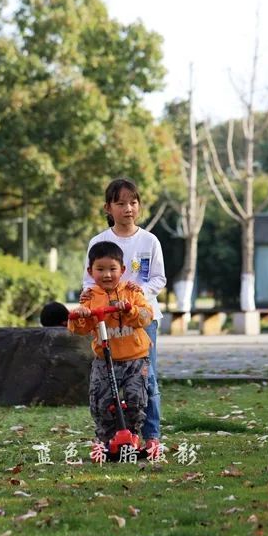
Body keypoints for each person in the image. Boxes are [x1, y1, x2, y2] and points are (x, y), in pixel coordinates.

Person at [81, 177, 166, 455]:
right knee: (109, 380)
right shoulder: (99, 241)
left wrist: (135, 293)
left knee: (146, 378)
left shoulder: (149, 241)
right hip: (108, 323)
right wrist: (89, 302)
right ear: (108, 208)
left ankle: (151, 435)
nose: (127, 208)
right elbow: (88, 280)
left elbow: (158, 278)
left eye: (133, 202)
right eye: (120, 203)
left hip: (142, 318)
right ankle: (114, 434)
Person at [69, 240, 152, 456]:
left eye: (112, 269)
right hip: (105, 361)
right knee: (101, 402)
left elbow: (146, 317)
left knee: (136, 399)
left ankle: (132, 437)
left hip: (135, 358)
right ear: (90, 271)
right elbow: (79, 329)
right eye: (100, 269)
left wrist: (130, 310)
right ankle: (106, 441)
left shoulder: (132, 292)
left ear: (122, 270)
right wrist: (81, 315)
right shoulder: (90, 297)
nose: (107, 275)